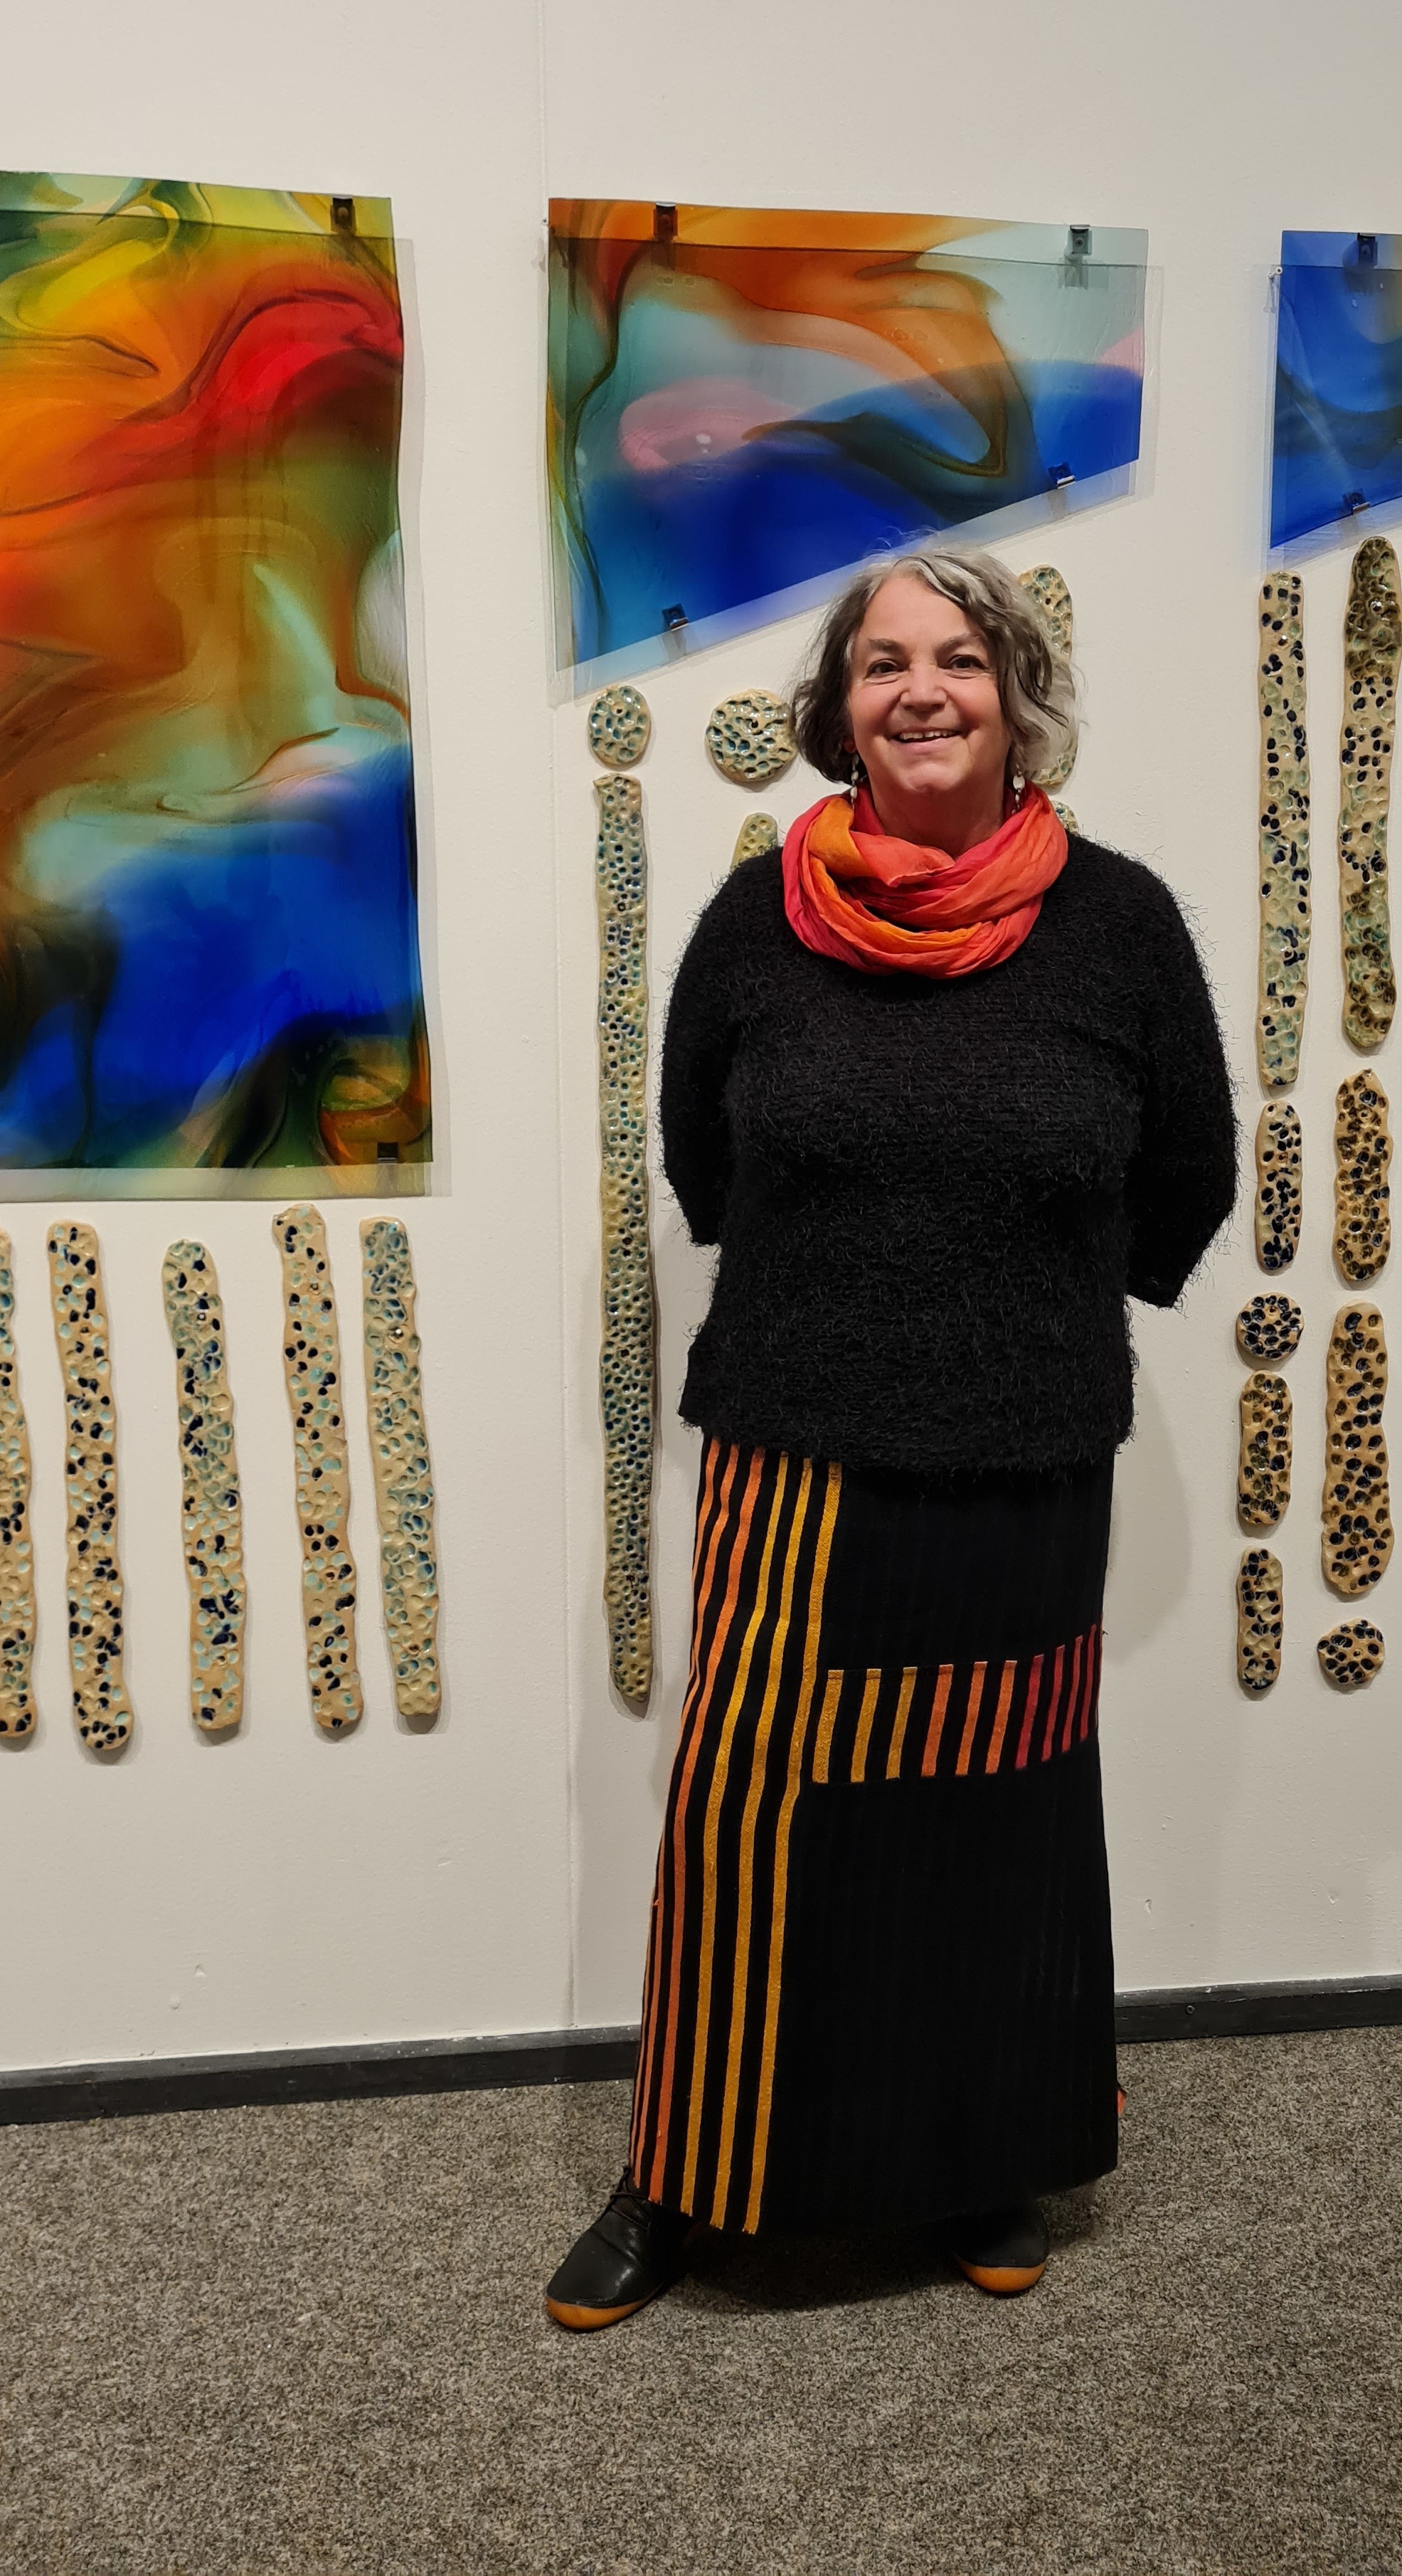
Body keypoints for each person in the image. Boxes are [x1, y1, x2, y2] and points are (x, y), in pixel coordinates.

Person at [546, 547, 1236, 2329]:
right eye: (882, 664)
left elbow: (1191, 1170)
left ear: (1019, 697)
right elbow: (705, 1163)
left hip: (1025, 1452)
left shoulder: (1120, 925)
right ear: (838, 710)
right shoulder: (752, 922)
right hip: (800, 1438)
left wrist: (1027, 1299)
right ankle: (686, 2177)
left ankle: (980, 2157)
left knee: (991, 1818)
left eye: (960, 659)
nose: (921, 689)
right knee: (753, 1809)